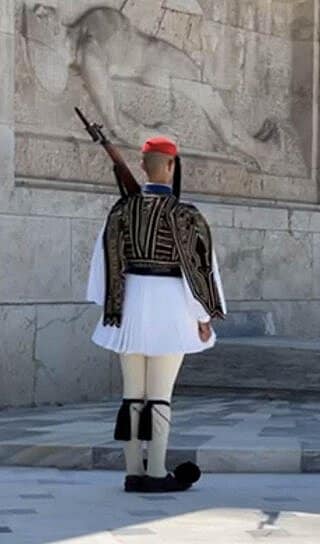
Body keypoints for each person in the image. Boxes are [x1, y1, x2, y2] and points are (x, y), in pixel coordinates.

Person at [86, 136, 226, 493]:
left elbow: (104, 263)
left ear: (143, 165)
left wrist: (109, 307)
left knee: (132, 395)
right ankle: (157, 471)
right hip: (169, 309)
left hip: (128, 306)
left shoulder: (120, 211)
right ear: (172, 166)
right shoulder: (186, 215)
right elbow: (199, 269)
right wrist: (203, 315)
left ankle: (133, 471)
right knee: (159, 394)